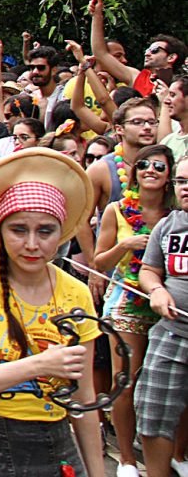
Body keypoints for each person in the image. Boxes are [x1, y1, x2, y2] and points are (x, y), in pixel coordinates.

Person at [0, 148, 104, 477]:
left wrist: (97, 472)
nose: (32, 244)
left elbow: (83, 398)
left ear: (60, 232)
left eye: (45, 231)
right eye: (19, 230)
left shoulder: (76, 293)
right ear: (0, 230)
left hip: (53, 447)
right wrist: (37, 365)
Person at [93, 142, 172, 477]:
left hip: (170, 303)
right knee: (125, 379)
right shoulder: (117, 210)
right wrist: (125, 244)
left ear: (170, 176)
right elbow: (98, 261)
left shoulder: (177, 214)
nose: (150, 171)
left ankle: (175, 455)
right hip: (127, 301)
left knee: (172, 382)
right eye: (144, 165)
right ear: (134, 173)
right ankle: (126, 458)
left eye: (158, 166)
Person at [136, 153, 188, 477]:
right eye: (182, 181)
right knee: (152, 411)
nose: (186, 189)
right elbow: (149, 270)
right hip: (172, 331)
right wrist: (156, 290)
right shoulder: (167, 226)